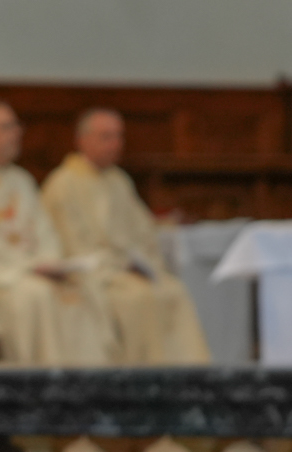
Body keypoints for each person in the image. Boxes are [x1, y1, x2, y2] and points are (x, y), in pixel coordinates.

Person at [0, 101, 115, 365]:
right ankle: (43, 379)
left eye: (15, 126)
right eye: (5, 127)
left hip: (25, 271)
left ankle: (87, 380)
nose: (15, 133)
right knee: (35, 296)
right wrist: (28, 267)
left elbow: (45, 232)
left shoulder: (21, 180)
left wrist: (49, 263)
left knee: (81, 289)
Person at [42, 107, 213, 361]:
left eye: (119, 136)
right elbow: (71, 246)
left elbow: (143, 231)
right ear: (82, 140)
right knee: (139, 298)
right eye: (106, 136)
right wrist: (117, 265)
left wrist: (142, 259)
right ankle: (143, 375)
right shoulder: (62, 184)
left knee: (175, 291)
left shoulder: (119, 180)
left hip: (127, 269)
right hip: (99, 274)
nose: (115, 144)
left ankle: (187, 375)